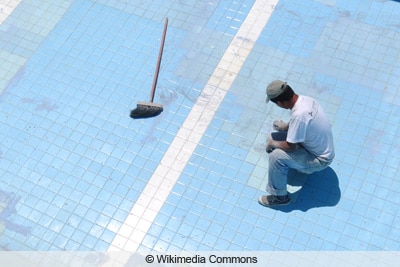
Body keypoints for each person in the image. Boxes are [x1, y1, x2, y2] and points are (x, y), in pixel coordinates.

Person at [258, 80, 335, 207]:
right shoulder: (306, 100)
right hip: (317, 148)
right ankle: (296, 164)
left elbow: (290, 146)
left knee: (276, 156)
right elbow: (301, 123)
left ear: (280, 103)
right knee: (272, 136)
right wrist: (285, 128)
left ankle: (280, 197)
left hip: (320, 160)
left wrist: (273, 144)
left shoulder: (299, 115)